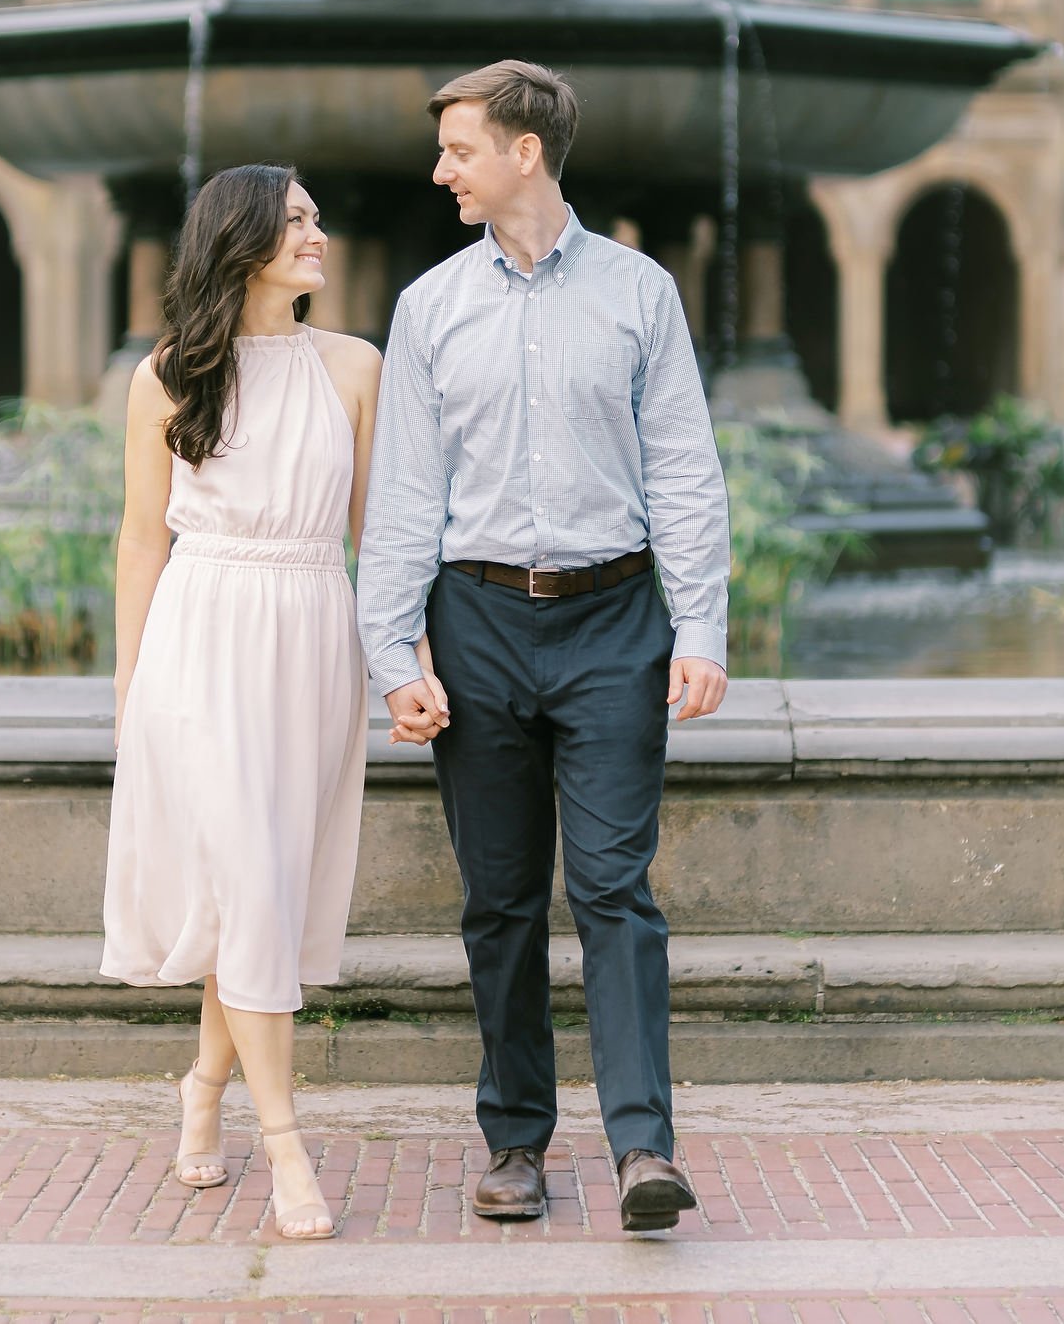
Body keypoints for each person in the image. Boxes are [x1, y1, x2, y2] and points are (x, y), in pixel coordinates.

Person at [356, 61, 730, 1233]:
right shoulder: (428, 307)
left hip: (615, 619)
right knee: (500, 899)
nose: (440, 170)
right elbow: (406, 498)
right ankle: (513, 1141)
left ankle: (640, 1149)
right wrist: (393, 658)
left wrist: (700, 623)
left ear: (524, 152)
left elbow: (681, 468)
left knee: (615, 888)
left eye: (458, 149)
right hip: (475, 625)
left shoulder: (637, 292)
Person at [101, 165, 380, 1241]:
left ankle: (202, 1089)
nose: (319, 231)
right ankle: (287, 1151)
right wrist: (131, 696)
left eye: (318, 214)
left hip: (311, 634)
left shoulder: (354, 366)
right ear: (244, 239)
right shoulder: (165, 374)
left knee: (257, 893)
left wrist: (405, 658)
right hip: (201, 643)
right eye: (297, 219)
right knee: (249, 882)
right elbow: (139, 540)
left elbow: (378, 538)